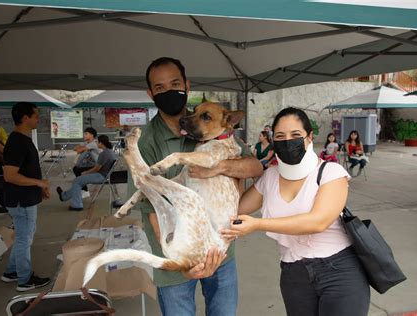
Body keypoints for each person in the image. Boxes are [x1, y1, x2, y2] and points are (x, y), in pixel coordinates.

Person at [133, 56, 263, 315]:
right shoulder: (145, 141)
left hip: (220, 250)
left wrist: (220, 167)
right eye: (160, 88)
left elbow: (255, 167)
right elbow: (150, 207)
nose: (169, 91)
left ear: (187, 85)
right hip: (179, 256)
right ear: (150, 93)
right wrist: (182, 261)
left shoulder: (213, 125)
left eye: (175, 83)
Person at [221, 107, 370, 316]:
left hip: (338, 270)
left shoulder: (331, 173)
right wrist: (233, 168)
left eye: (295, 135)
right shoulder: (270, 176)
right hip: (294, 274)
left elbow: (317, 222)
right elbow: (233, 209)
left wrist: (257, 224)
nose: (287, 141)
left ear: (309, 137)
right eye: (280, 136)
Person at [0, 102, 51, 292]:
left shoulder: (23, 139)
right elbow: (10, 175)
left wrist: (39, 187)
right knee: (24, 239)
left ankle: (12, 271)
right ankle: (24, 279)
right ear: (25, 118)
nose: (39, 119)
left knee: (24, 236)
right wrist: (39, 184)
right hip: (21, 200)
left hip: (26, 197)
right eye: (36, 116)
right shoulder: (17, 142)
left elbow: (26, 170)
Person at [57, 135, 116, 211]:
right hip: (106, 175)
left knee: (77, 181)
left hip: (101, 176)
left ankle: (77, 206)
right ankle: (64, 196)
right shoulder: (110, 152)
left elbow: (96, 168)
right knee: (79, 182)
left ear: (101, 143)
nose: (97, 144)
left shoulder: (103, 154)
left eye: (97, 142)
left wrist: (86, 172)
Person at [72, 127, 100, 197]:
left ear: (92, 135)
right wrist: (81, 147)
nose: (84, 135)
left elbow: (79, 150)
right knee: (76, 168)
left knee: (78, 170)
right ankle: (84, 186)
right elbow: (75, 148)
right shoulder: (87, 143)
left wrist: (81, 148)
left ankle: (85, 189)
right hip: (91, 164)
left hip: (96, 166)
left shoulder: (93, 143)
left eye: (86, 134)